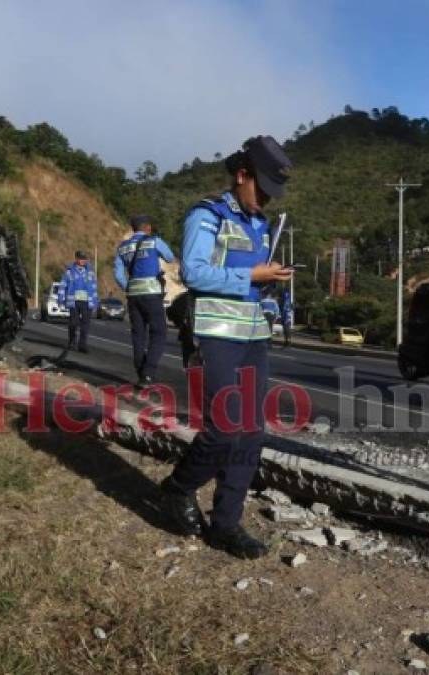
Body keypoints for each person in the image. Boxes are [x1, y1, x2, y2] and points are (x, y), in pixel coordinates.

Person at [159, 135, 294, 559]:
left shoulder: (259, 224)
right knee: (224, 428)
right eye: (263, 189)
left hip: (254, 336)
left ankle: (226, 524)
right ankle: (177, 488)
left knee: (251, 432)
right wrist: (251, 276)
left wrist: (268, 279)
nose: (268, 201)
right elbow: (195, 274)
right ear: (242, 176)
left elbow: (249, 276)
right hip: (215, 336)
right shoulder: (207, 215)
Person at [114, 215, 175, 386]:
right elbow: (170, 257)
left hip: (133, 294)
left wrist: (128, 286)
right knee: (159, 332)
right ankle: (148, 372)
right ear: (147, 227)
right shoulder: (153, 241)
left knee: (138, 334)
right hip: (151, 293)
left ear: (133, 228)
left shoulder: (122, 247)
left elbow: (118, 274)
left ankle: (141, 372)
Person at [57, 250, 98, 352]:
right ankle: (72, 342)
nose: (83, 261)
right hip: (74, 301)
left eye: (84, 259)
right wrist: (60, 299)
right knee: (73, 323)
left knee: (85, 324)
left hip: (86, 302)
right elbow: (63, 285)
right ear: (76, 259)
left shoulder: (90, 272)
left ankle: (82, 345)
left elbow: (94, 288)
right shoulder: (69, 272)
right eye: (80, 259)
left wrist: (95, 302)